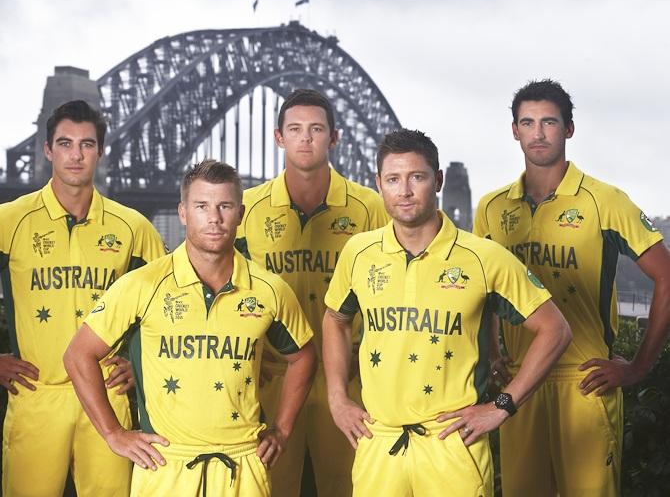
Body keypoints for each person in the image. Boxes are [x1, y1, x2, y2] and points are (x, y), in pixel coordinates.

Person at [323, 128, 572, 496]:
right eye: (393, 179)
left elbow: (556, 329)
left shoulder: (483, 258)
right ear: (378, 184)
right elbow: (336, 319)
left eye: (417, 177)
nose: (404, 191)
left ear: (437, 181)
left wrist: (501, 406)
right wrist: (336, 397)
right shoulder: (358, 253)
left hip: (452, 445)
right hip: (379, 441)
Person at [64, 160, 317, 496]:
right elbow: (79, 354)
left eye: (224, 206)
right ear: (183, 212)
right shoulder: (142, 284)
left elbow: (304, 357)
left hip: (243, 467)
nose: (214, 218)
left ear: (240, 213)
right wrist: (113, 432)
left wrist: (282, 430)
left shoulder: (270, 290)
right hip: (165, 466)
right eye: (202, 206)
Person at [474, 79, 670, 496]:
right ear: (514, 131)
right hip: (520, 385)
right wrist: (492, 352)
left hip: (583, 383)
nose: (538, 132)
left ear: (569, 129)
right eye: (528, 122)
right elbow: (484, 292)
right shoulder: (492, 208)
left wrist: (638, 367)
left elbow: (666, 276)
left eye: (549, 121)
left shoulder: (605, 201)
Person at [0, 100, 165, 496]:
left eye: (87, 144)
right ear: (47, 150)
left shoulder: (134, 229)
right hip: (37, 396)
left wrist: (138, 366)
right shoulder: (9, 221)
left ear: (101, 151)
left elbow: (168, 309)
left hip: (110, 396)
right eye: (65, 143)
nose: (76, 155)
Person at [235, 89, 388, 496]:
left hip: (348, 380)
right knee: (268, 488)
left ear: (333, 138)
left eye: (316, 129)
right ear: (278, 137)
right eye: (296, 129)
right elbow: (220, 286)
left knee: (348, 487)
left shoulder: (370, 207)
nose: (306, 139)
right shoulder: (245, 208)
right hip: (271, 378)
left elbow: (393, 288)